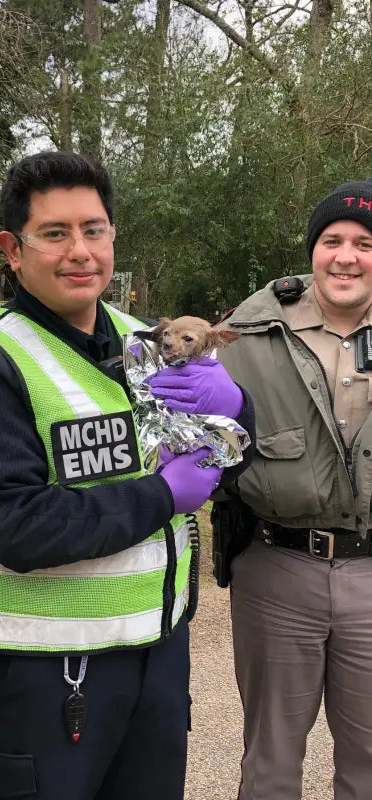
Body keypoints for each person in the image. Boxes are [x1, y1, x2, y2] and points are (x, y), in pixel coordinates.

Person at [0, 150, 256, 800]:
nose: (80, 251)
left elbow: (225, 456)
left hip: (160, 658)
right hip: (48, 679)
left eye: (94, 230)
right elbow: (10, 525)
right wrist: (162, 495)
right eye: (55, 233)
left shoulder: (150, 341)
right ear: (13, 249)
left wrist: (237, 412)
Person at [214, 178, 372, 800]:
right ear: (312, 250)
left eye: (365, 243)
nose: (346, 256)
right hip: (278, 570)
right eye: (332, 240)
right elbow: (191, 433)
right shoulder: (247, 335)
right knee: (272, 762)